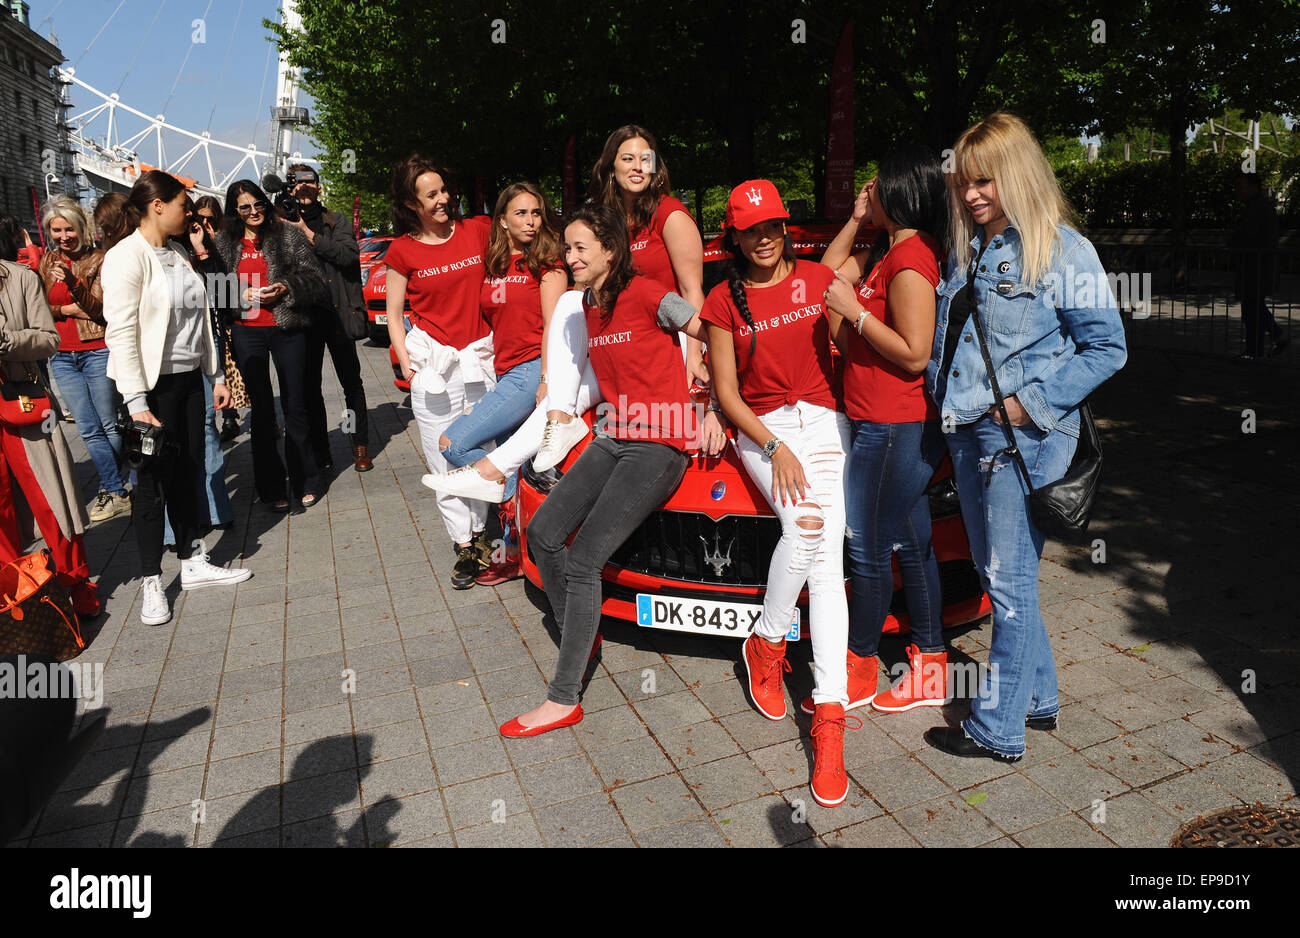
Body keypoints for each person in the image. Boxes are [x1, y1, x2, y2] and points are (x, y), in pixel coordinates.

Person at [922, 113, 1127, 762]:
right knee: (998, 575)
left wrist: (1029, 404)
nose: (974, 194)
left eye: (988, 181)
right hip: (968, 436)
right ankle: (1038, 698)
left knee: (1007, 586)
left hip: (1020, 442)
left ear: (1019, 174)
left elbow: (1108, 348)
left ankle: (997, 730)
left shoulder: (1064, 250)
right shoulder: (971, 246)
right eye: (966, 183)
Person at [499, 203, 719, 739]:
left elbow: (712, 331)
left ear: (610, 251)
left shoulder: (646, 293)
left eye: (579, 248)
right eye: (567, 248)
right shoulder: (586, 304)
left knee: (584, 558)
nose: (569, 257)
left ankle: (563, 697)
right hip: (614, 434)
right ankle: (582, 627)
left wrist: (712, 403)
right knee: (545, 534)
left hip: (660, 445)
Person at [426, 125, 707, 501]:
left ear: (657, 167)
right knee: (571, 318)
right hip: (613, 339)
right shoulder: (606, 218)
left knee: (570, 315)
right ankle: (527, 446)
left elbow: (691, 292)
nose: (638, 166)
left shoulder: (670, 215)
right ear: (611, 168)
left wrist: (695, 354)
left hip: (658, 337)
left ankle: (496, 469)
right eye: (628, 158)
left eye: (646, 159)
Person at [701, 180, 855, 807]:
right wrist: (772, 446)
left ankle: (828, 714)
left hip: (823, 421)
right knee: (808, 530)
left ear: (785, 228)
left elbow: (857, 311)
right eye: (751, 229)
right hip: (763, 430)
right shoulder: (720, 299)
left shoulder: (818, 281)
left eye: (773, 226)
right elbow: (728, 395)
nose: (763, 237)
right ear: (734, 237)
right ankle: (767, 642)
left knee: (826, 567)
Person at [817, 145, 952, 714]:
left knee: (869, 552)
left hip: (893, 426)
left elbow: (916, 353)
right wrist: (853, 219)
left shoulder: (911, 257)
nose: (866, 194)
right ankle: (931, 665)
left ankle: (859, 668)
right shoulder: (885, 250)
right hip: (882, 423)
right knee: (913, 545)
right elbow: (825, 275)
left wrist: (855, 312)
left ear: (900, 192)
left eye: (874, 188)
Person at [101, 171, 253, 626]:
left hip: (189, 380)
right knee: (150, 484)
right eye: (183, 204)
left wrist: (215, 374)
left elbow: (201, 320)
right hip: (150, 387)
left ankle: (192, 560)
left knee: (189, 472)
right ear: (156, 205)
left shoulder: (179, 253)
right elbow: (122, 332)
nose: (189, 212)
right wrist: (135, 400)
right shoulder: (126, 257)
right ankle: (151, 580)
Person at [422, 182, 567, 586]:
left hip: (530, 372)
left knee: (453, 443)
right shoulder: (494, 265)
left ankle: (505, 502)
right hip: (503, 372)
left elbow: (555, 329)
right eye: (521, 213)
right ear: (501, 219)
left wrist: (546, 380)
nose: (531, 221)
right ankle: (513, 552)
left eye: (536, 213)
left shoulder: (548, 264)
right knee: (513, 460)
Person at [384, 155, 496, 587]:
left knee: (482, 450)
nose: (444, 199)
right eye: (431, 195)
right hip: (435, 371)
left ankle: (486, 532)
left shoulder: (478, 231)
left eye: (444, 190)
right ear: (412, 204)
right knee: (443, 457)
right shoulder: (402, 250)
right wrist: (409, 368)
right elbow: (395, 314)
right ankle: (464, 544)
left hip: (480, 363)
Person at [0, 215, 100, 618]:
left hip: (21, 403)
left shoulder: (21, 279)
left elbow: (49, 339)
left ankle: (76, 590)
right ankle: (12, 601)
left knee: (51, 500)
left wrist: (7, 341)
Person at [213, 180, 327, 512]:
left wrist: (285, 288)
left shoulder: (288, 235)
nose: (253, 212)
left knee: (295, 404)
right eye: (244, 207)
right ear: (235, 211)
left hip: (286, 327)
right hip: (247, 331)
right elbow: (212, 289)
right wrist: (239, 294)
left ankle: (305, 478)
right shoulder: (224, 242)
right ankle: (271, 485)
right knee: (261, 412)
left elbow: (316, 280)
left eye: (258, 204)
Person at [36, 197, 131, 524]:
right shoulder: (46, 263)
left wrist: (75, 285)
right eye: (56, 230)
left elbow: (101, 309)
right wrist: (63, 309)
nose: (64, 236)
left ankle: (117, 484)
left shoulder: (101, 260)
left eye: (69, 229)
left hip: (96, 348)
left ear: (81, 227)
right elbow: (37, 308)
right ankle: (116, 489)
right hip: (62, 355)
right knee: (89, 429)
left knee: (110, 426)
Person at [281, 162, 373, 471]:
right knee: (310, 388)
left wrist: (308, 234)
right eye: (297, 185)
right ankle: (321, 451)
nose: (304, 189)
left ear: (319, 188)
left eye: (310, 184)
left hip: (338, 315)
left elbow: (348, 256)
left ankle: (360, 444)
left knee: (351, 383)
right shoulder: (280, 223)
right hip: (305, 318)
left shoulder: (336, 220)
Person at [194, 195, 245, 442]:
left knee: (232, 369)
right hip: (203, 316)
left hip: (224, 315)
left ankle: (232, 416)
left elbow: (225, 284)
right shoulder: (190, 242)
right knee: (218, 371)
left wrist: (215, 249)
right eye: (200, 218)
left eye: (210, 219)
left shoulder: (226, 241)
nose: (205, 223)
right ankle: (227, 416)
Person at [1230, 171, 1285, 359]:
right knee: (1254, 308)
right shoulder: (1258, 206)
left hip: (1255, 266)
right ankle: (1258, 348)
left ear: (1253, 187)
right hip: (1257, 266)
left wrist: (1234, 242)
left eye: (1241, 186)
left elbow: (1249, 237)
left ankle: (1263, 344)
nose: (1238, 191)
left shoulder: (1256, 208)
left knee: (1252, 309)